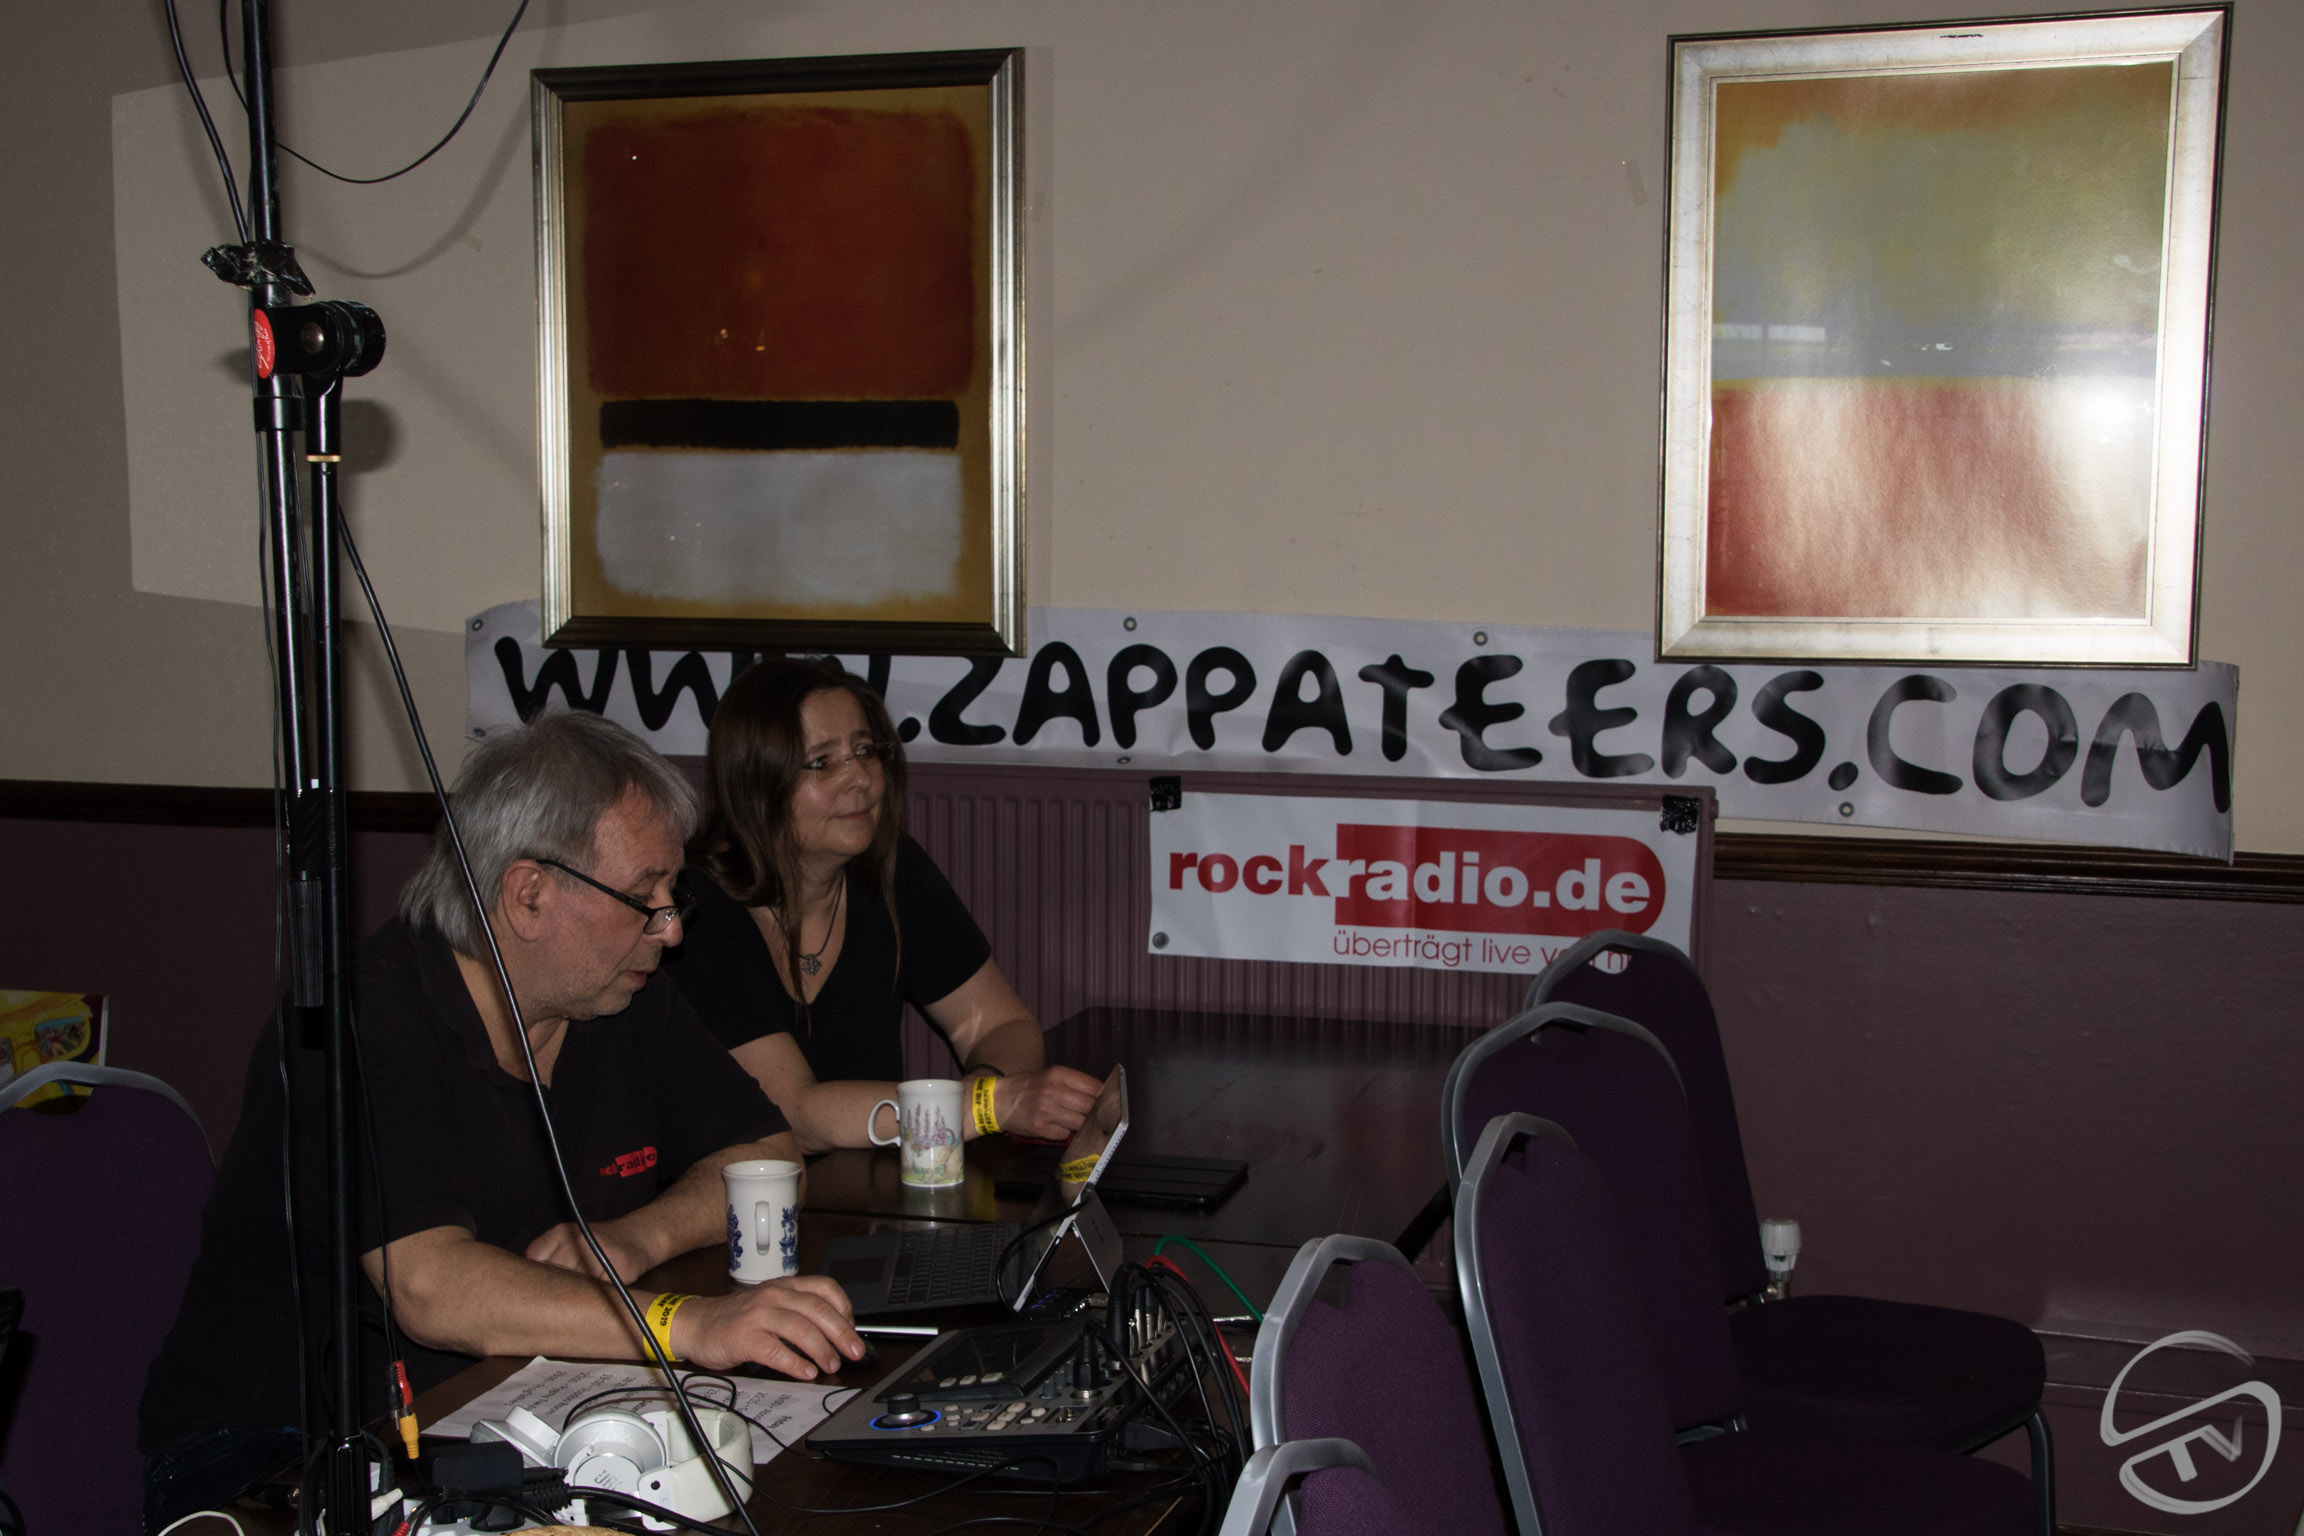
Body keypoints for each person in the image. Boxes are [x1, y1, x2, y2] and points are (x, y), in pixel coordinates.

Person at [138, 710, 863, 1529]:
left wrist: (635, 1239)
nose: (670, 928)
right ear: (528, 895)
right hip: (269, 1457)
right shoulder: (362, 1021)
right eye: (643, 897)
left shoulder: (621, 995)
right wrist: (684, 1323)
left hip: (497, 1414)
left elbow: (767, 1152)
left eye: (672, 895)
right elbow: (433, 1289)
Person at [666, 657, 1103, 1151]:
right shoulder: (695, 907)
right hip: (736, 1193)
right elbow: (794, 1115)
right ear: (755, 783)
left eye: (865, 751)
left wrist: (984, 1096)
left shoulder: (891, 866)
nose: (861, 778)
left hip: (863, 1182)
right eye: (822, 762)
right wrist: (988, 1106)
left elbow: (1005, 1025)